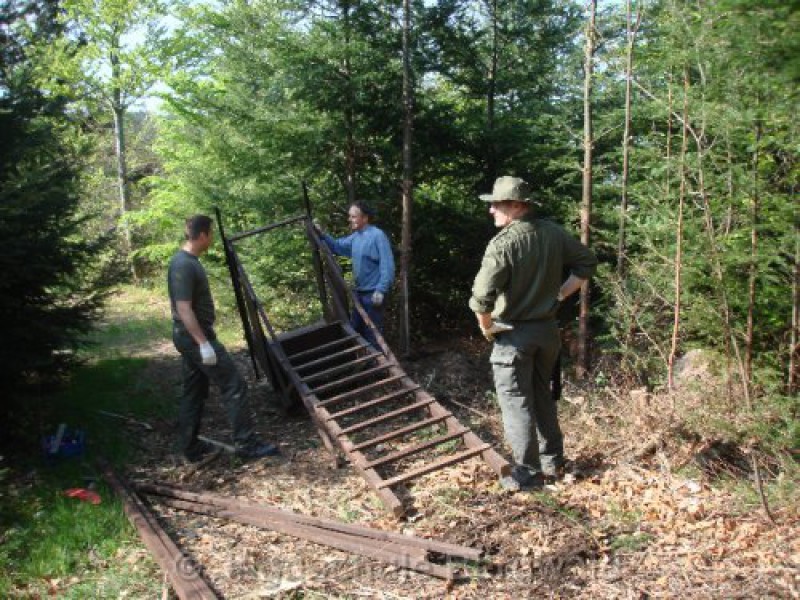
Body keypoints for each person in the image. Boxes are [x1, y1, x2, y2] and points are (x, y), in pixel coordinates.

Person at [469, 176, 597, 491]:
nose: (491, 210)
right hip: (547, 333)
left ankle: (527, 475)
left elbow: (482, 296)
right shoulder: (553, 233)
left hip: (514, 336)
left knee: (516, 402)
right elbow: (586, 262)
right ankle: (553, 461)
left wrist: (485, 325)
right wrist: (560, 294)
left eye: (497, 205)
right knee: (542, 397)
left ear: (517, 206)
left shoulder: (503, 244)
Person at [168, 214, 280, 462]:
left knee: (194, 391)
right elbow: (183, 308)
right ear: (202, 235)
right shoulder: (183, 265)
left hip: (190, 337)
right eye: (211, 234)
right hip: (193, 338)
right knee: (234, 384)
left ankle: (189, 446)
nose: (212, 239)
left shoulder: (187, 261)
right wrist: (203, 344)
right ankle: (247, 443)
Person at [318, 202, 395, 348]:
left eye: (353, 216)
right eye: (350, 216)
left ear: (365, 218)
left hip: (373, 294)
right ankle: (365, 359)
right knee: (357, 330)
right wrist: (322, 235)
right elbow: (337, 246)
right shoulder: (356, 237)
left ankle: (376, 361)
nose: (349, 219)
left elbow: (387, 265)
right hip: (360, 294)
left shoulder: (377, 236)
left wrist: (381, 290)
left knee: (372, 334)